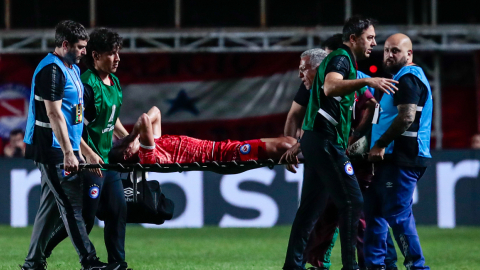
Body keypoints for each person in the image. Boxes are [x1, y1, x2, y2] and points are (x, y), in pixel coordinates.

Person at [280, 16, 398, 270]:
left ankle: (293, 265)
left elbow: (318, 108)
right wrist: (369, 81)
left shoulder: (341, 63)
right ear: (353, 39)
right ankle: (351, 266)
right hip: (327, 143)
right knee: (353, 203)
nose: (374, 43)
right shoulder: (342, 59)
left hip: (319, 141)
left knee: (311, 210)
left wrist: (303, 144)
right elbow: (331, 89)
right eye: (370, 37)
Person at [21, 21, 108, 270]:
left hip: (63, 147)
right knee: (71, 206)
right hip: (51, 149)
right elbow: (54, 115)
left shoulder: (71, 69)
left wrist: (87, 151)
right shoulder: (51, 71)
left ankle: (33, 263)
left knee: (49, 208)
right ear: (65, 44)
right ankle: (89, 261)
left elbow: (73, 120)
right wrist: (70, 153)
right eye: (80, 47)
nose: (84, 52)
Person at [43, 28, 131, 270]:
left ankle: (118, 264)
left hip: (107, 160)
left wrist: (128, 139)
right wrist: (88, 153)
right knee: (85, 220)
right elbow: (74, 124)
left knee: (118, 210)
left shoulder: (114, 82)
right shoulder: (86, 86)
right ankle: (44, 248)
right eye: (112, 53)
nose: (117, 58)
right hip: (89, 162)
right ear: (95, 55)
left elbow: (112, 121)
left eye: (118, 53)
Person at [365, 33, 432, 270]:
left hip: (402, 157)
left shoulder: (408, 79)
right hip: (390, 159)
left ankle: (417, 267)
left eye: (396, 51)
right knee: (373, 213)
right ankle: (378, 266)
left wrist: (380, 144)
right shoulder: (398, 79)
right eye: (386, 50)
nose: (389, 55)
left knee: (398, 216)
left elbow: (406, 117)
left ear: (409, 54)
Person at [109, 106, 296, 166]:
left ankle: (306, 148)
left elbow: (155, 112)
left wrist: (129, 139)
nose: (123, 138)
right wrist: (131, 137)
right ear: (126, 154)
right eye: (121, 143)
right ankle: (313, 152)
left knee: (288, 142)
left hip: (222, 148)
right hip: (223, 157)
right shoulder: (147, 156)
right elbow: (143, 119)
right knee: (284, 147)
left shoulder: (152, 145)